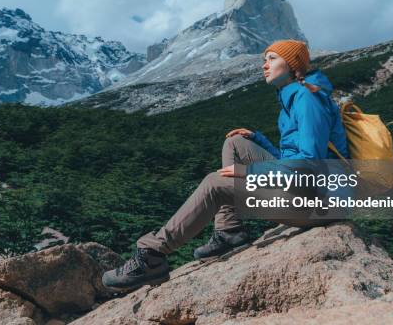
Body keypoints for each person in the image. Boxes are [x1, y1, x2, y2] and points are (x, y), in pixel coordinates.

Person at [102, 39, 350, 292]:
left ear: (293, 64)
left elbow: (308, 165)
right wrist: (257, 139)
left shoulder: (307, 100)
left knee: (215, 183)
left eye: (272, 58)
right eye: (265, 59)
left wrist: (248, 171)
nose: (264, 65)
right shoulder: (293, 97)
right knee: (235, 142)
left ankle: (153, 256)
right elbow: (294, 156)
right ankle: (229, 230)